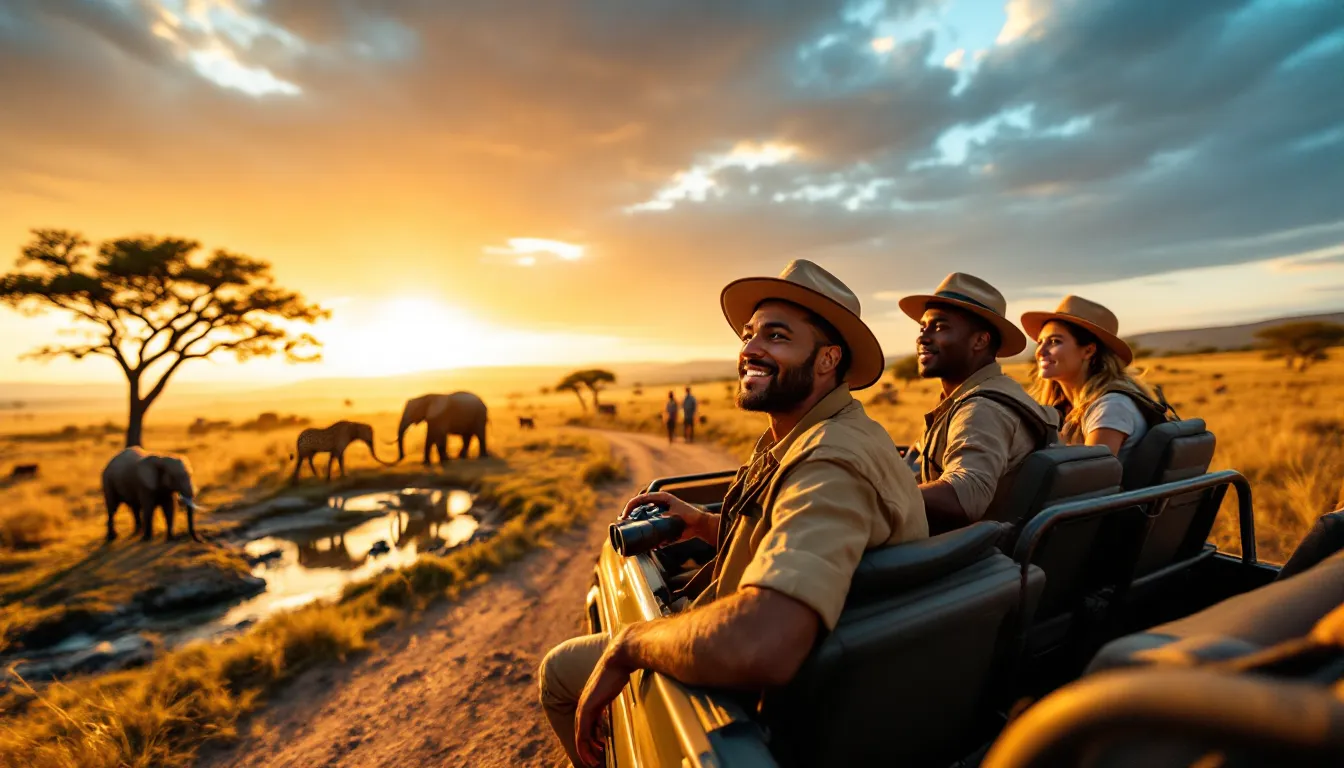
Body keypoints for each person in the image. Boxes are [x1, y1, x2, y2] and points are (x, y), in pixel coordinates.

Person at [538, 259, 928, 766]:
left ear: (829, 359)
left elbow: (764, 642)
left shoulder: (830, 460)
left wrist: (631, 644)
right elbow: (785, 537)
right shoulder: (822, 434)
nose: (749, 349)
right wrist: (703, 523)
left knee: (558, 671)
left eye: (777, 336)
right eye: (748, 335)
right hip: (826, 677)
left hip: (766, 707)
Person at [900, 273, 1060, 534]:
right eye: (923, 328)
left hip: (969, 558)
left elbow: (966, 494)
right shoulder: (996, 391)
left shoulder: (981, 408)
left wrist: (877, 500)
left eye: (940, 327)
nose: (923, 338)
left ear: (980, 341)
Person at [1022, 295, 1171, 462]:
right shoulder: (1067, 407)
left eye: (1055, 341)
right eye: (1040, 342)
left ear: (1088, 351)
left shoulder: (1111, 407)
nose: (1040, 351)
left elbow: (1091, 478)